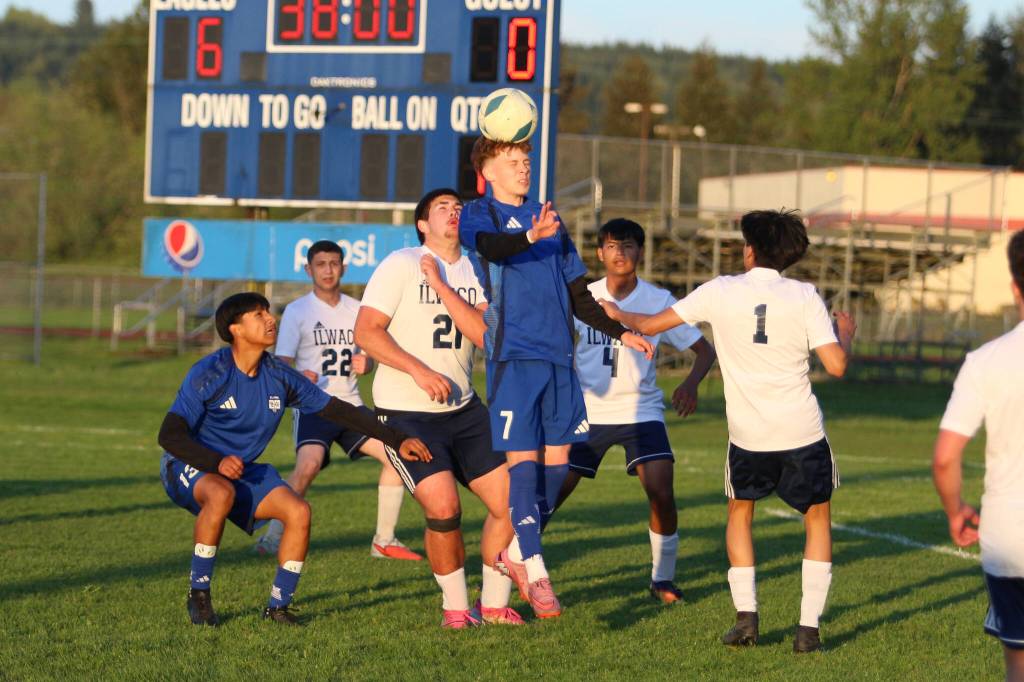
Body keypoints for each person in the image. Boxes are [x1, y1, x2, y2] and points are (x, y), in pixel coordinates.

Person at [601, 209, 855, 652]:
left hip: (748, 436)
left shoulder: (720, 290)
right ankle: (808, 631)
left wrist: (611, 309)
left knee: (740, 514)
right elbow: (836, 365)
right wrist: (845, 333)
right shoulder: (804, 294)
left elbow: (644, 325)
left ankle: (746, 621)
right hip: (801, 431)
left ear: (750, 250)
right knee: (816, 519)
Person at [458, 137, 654, 618]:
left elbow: (578, 292)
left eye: (526, 160)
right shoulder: (478, 214)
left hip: (558, 359)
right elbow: (492, 247)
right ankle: (537, 569)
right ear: (489, 169)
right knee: (523, 462)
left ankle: (517, 553)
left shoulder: (549, 217)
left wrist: (618, 332)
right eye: (513, 161)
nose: (524, 167)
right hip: (515, 356)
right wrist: (530, 236)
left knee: (560, 465)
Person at [157, 292, 430, 627]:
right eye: (258, 315)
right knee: (221, 493)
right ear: (236, 330)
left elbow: (337, 410)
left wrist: (396, 439)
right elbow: (169, 435)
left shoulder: (279, 376)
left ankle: (278, 607)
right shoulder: (209, 373)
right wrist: (215, 461)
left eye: (269, 312)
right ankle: (199, 594)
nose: (271, 319)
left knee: (298, 511)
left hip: (238, 469)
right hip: (187, 463)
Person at [354, 188, 522, 629]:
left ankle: (494, 604)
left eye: (458, 207)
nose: (453, 212)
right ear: (422, 224)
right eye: (442, 208)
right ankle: (455, 609)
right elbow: (367, 331)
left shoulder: (476, 267)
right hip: (405, 414)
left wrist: (445, 286)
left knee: (512, 503)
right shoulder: (402, 263)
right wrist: (418, 371)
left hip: (465, 411)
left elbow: (488, 334)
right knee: (444, 507)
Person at [550, 218, 717, 604]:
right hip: (588, 411)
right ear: (599, 253)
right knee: (552, 491)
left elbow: (704, 351)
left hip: (641, 411)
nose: (619, 254)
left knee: (661, 491)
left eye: (627, 246)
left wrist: (690, 384)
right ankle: (524, 565)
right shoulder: (582, 295)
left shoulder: (658, 301)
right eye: (610, 246)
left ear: (640, 252)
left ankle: (663, 579)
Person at [254, 240, 421, 561]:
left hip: (351, 406)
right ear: (309, 270)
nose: (328, 270)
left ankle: (383, 541)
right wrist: (301, 375)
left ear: (343, 268)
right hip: (314, 406)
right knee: (308, 466)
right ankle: (273, 537)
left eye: (334, 264)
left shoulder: (358, 309)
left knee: (396, 458)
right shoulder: (297, 310)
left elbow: (370, 356)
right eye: (321, 264)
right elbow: (282, 364)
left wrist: (368, 364)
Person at [933, 230, 1024, 681]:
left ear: (1014, 286)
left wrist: (956, 512)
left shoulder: (987, 360)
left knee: (1018, 664)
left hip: (1010, 537)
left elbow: (946, 458)